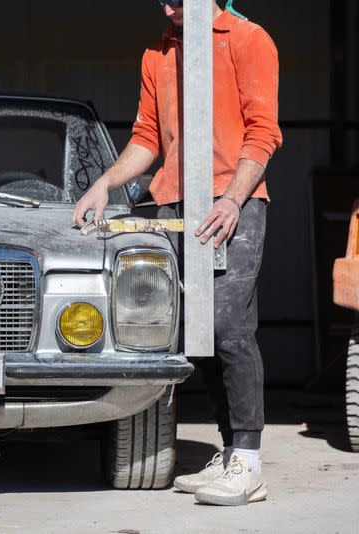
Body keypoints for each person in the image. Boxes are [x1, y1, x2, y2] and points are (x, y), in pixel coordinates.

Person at [72, 0, 282, 506]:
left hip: (234, 202)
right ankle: (231, 452)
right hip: (175, 202)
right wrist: (105, 183)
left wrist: (232, 198)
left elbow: (264, 131)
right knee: (197, 333)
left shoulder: (249, 39)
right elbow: (147, 137)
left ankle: (249, 463)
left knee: (230, 324)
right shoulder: (158, 52)